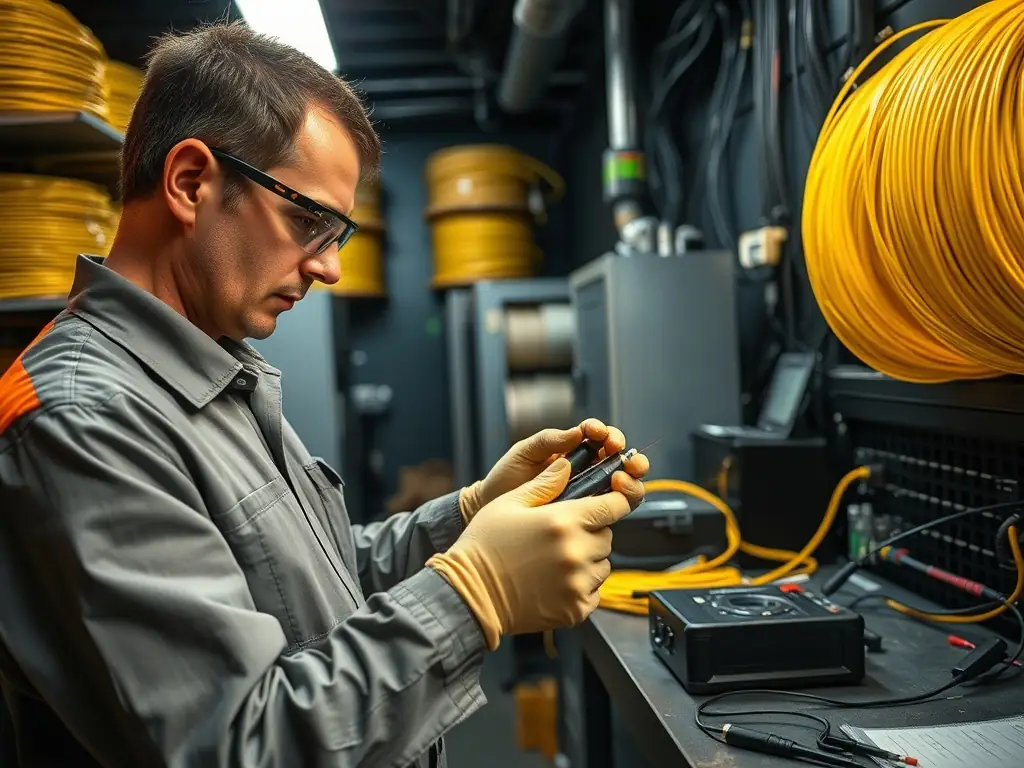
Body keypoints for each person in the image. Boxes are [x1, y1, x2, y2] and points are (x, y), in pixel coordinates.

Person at [0, 21, 649, 768]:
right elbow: (240, 746)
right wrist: (476, 594)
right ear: (190, 181)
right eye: (308, 221)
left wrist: (465, 518)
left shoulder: (209, 369)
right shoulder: (83, 418)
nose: (330, 268)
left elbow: (313, 589)